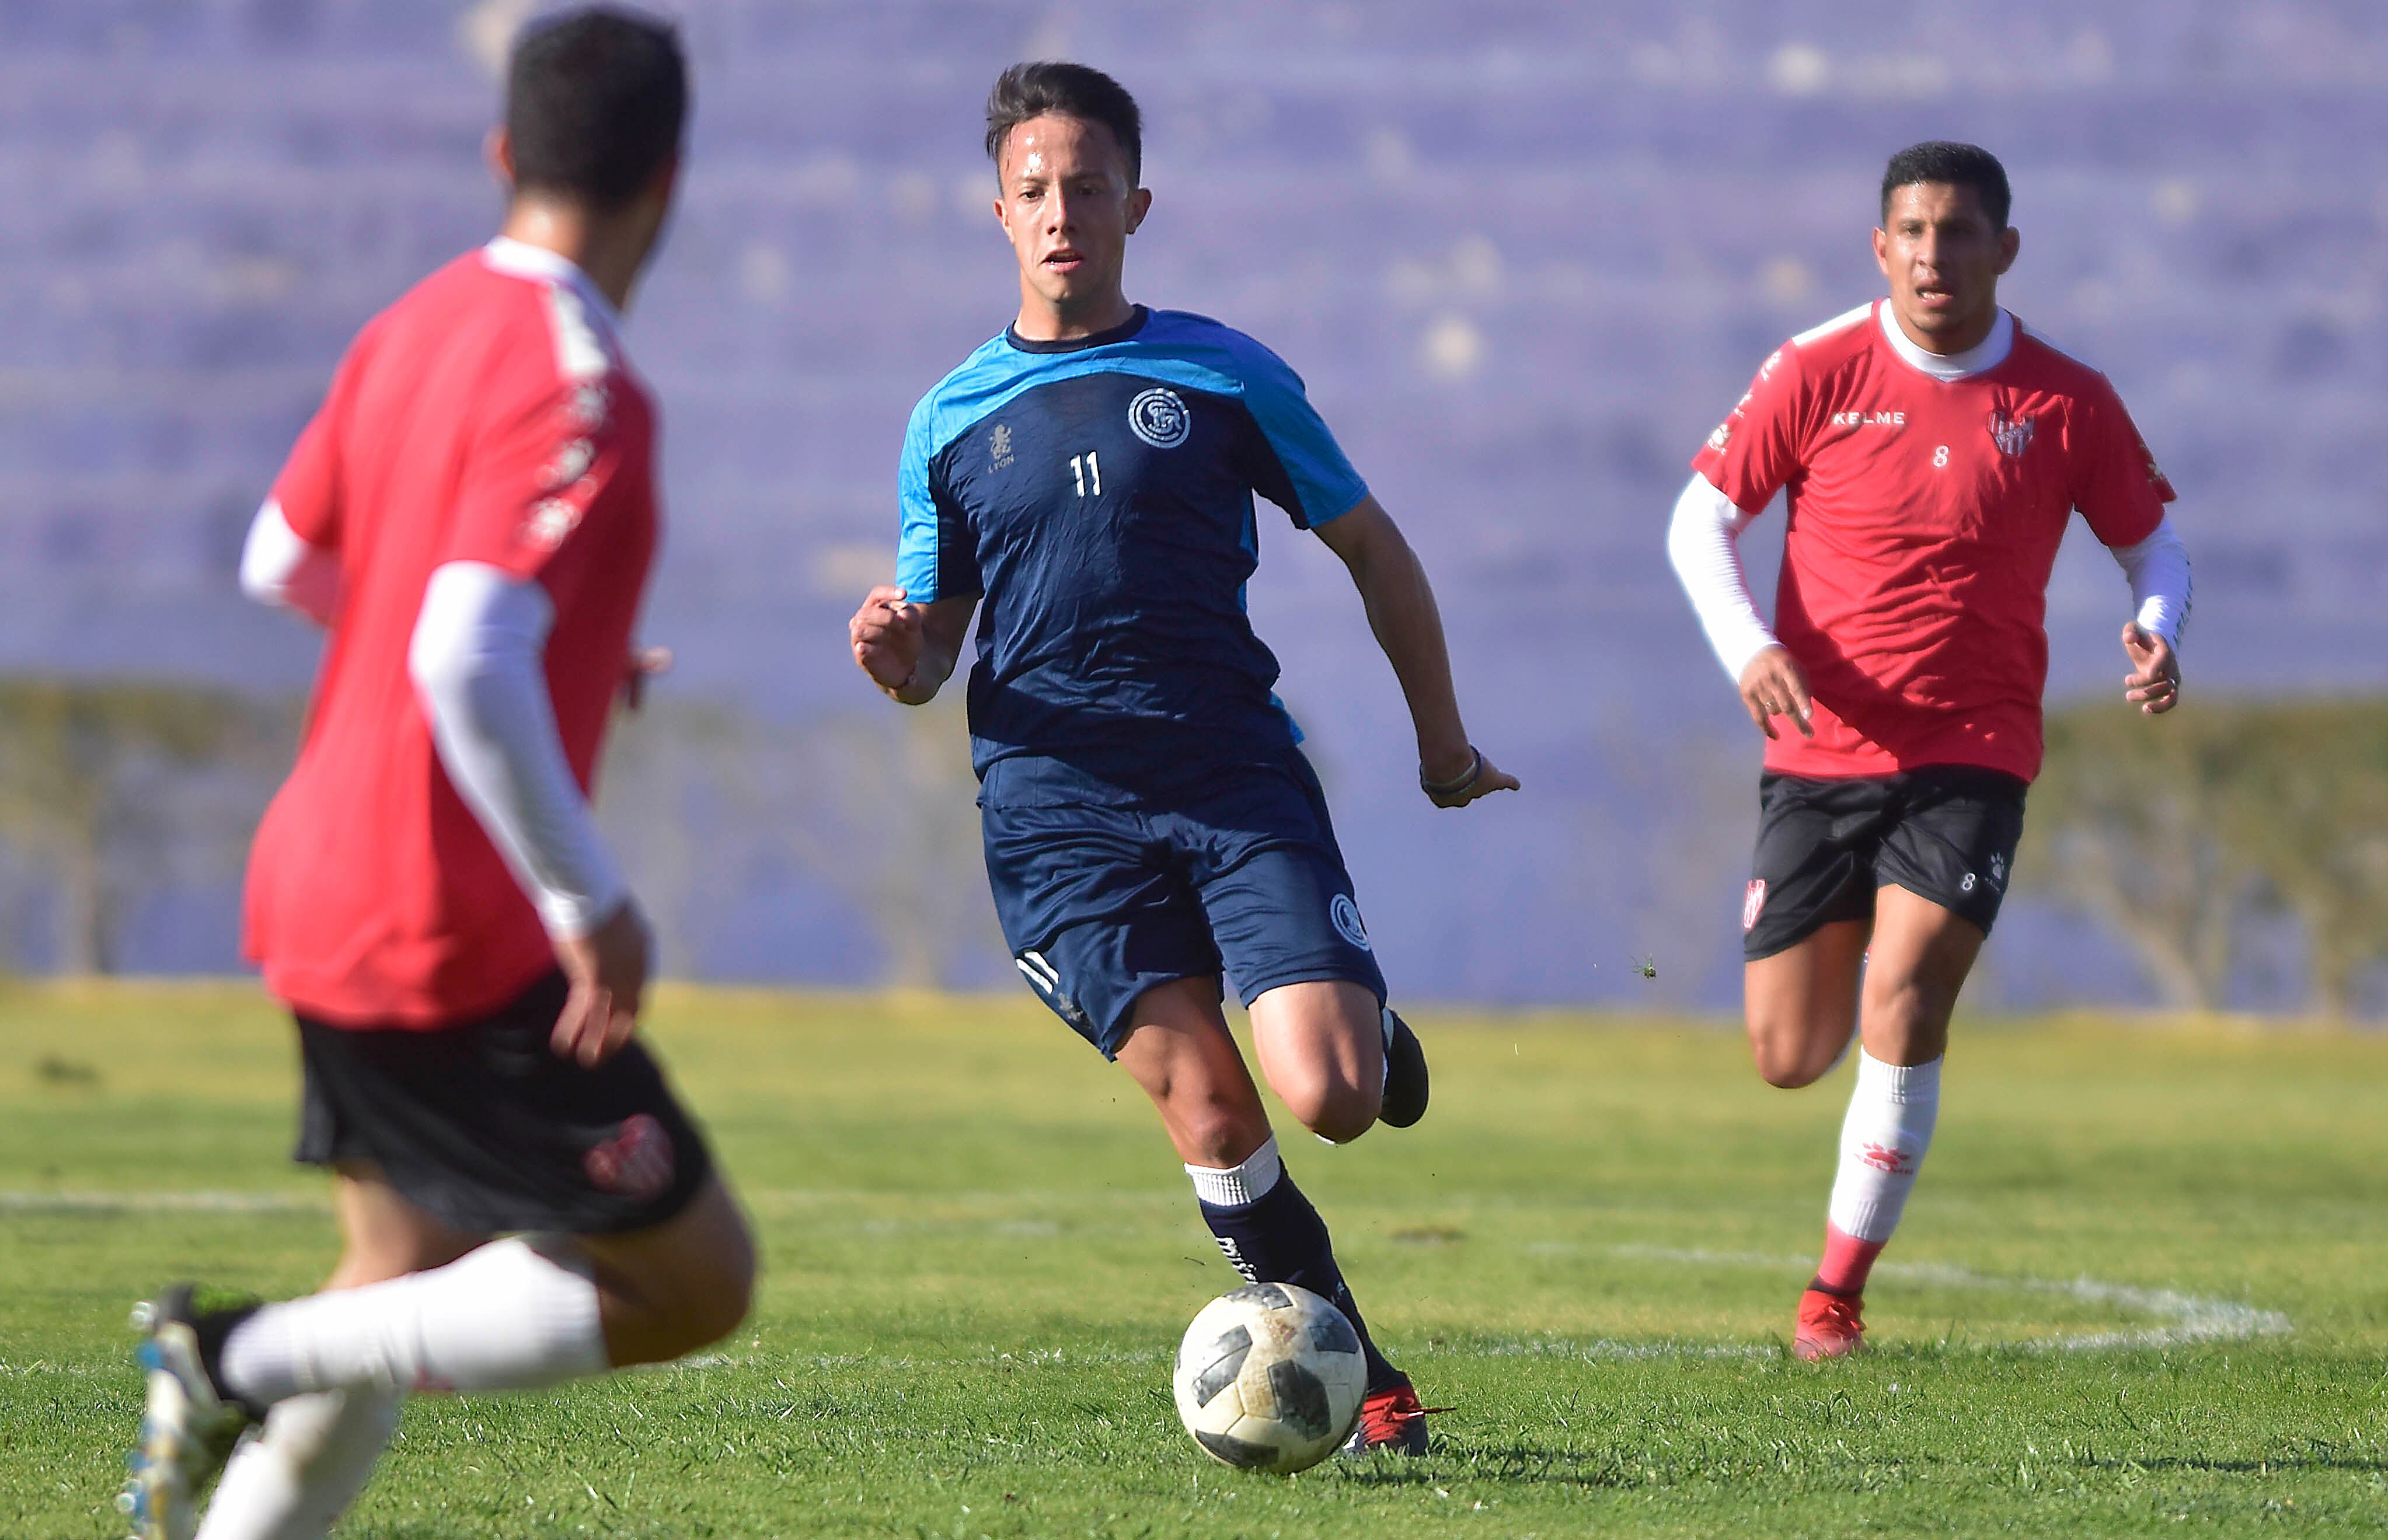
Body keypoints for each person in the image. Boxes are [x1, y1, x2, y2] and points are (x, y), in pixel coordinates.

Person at [119, 13, 755, 1538]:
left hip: (315, 879)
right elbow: (463, 652)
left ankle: (240, 1405)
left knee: (394, 1290)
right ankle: (228, 1355)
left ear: (502, 155)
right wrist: (585, 898)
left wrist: (566, 672)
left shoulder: (410, 326)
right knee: (691, 1279)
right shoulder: (585, 386)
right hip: (442, 918)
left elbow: (287, 558)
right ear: (671, 179)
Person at [846, 61, 1515, 1455]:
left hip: (1230, 778)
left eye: (1088, 187)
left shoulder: (1225, 373)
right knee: (1211, 1101)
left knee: (1330, 1099)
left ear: (1137, 202)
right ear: (999, 212)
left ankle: (1366, 1033)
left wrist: (1440, 746)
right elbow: (930, 657)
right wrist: (894, 650)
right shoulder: (948, 421)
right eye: (1034, 190)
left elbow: (1375, 550)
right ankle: (1372, 1386)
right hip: (1055, 814)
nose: (1061, 212)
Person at [1667, 141, 2191, 1360]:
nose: (1933, 254)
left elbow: (2153, 544)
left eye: (1958, 233)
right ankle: (1852, 1075)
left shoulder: (2068, 400)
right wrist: (1750, 649)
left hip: (1977, 748)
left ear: (2005, 250)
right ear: (1879, 246)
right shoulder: (1817, 368)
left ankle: (1833, 1298)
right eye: (1911, 230)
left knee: (1907, 996)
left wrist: (2158, 632)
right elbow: (1701, 520)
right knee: (1790, 1055)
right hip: (1819, 751)